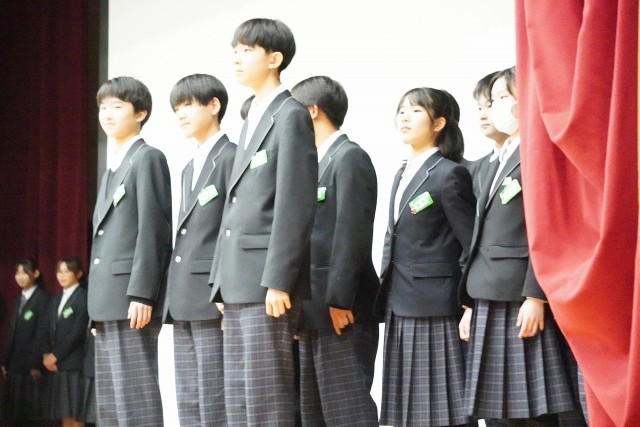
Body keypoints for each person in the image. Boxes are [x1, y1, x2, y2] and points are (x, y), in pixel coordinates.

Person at [208, 18, 317, 426]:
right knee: (238, 395)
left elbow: (294, 203)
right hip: (239, 279)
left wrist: (279, 280)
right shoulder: (252, 115)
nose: (237, 58)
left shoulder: (290, 115)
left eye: (247, 51)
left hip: (265, 281)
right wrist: (220, 279)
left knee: (266, 395)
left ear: (274, 59)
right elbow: (234, 205)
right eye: (234, 51)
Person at [458, 67, 577, 425]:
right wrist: (469, 301)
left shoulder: (539, 153)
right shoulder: (496, 160)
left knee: (534, 411)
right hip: (487, 292)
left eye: (503, 98)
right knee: (498, 411)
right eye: (493, 99)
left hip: (520, 296)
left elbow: (548, 228)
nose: (494, 107)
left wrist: (535, 296)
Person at [374, 87, 476, 427]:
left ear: (439, 123)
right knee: (410, 410)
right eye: (402, 110)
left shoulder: (449, 173)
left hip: (437, 306)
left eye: (415, 110)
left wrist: (469, 304)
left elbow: (470, 244)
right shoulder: (402, 173)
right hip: (400, 299)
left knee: (446, 409)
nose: (404, 116)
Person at [291, 76, 380, 426]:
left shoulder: (349, 157)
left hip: (341, 310)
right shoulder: (314, 162)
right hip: (313, 309)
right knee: (313, 412)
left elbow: (352, 233)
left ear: (313, 111)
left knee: (347, 411)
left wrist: (340, 300)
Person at [88, 76, 172, 425]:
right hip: (107, 301)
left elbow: (154, 230)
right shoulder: (112, 168)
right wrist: (95, 309)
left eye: (117, 106)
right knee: (110, 406)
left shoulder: (147, 158)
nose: (107, 114)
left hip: (130, 298)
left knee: (135, 399)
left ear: (140, 113)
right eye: (103, 107)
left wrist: (142, 293)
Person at [163, 73, 235, 426]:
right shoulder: (190, 166)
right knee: (188, 398)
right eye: (176, 108)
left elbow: (231, 229)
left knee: (214, 397)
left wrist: (224, 288)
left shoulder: (232, 156)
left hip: (212, 295)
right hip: (184, 295)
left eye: (188, 105)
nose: (181, 114)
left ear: (214, 105)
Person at [42, 257, 89, 427]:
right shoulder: (55, 299)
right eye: (59, 272)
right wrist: (46, 355)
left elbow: (76, 333)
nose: (61, 276)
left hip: (75, 364)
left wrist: (55, 356)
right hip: (57, 365)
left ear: (79, 273)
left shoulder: (83, 297)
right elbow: (46, 329)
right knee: (64, 413)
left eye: (66, 271)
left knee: (76, 414)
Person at [2, 258, 49, 425]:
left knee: (30, 416)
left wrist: (35, 364)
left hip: (31, 368)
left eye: (24, 272)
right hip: (15, 365)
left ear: (35, 273)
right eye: (17, 273)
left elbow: (42, 334)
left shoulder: (42, 299)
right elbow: (12, 332)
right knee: (14, 414)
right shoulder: (19, 298)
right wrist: (5, 362)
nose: (20, 277)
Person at [465, 71, 510, 198]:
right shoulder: (474, 169)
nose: (482, 115)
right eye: (480, 108)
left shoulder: (529, 157)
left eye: (489, 105)